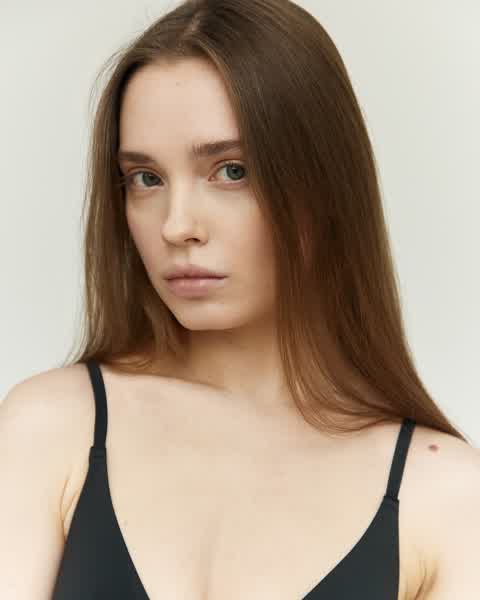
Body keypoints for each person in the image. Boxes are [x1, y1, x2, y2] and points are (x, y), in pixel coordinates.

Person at [1, 1, 479, 598]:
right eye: (146, 178)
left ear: (325, 186)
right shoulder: (51, 426)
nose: (177, 225)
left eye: (231, 171)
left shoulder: (446, 498)